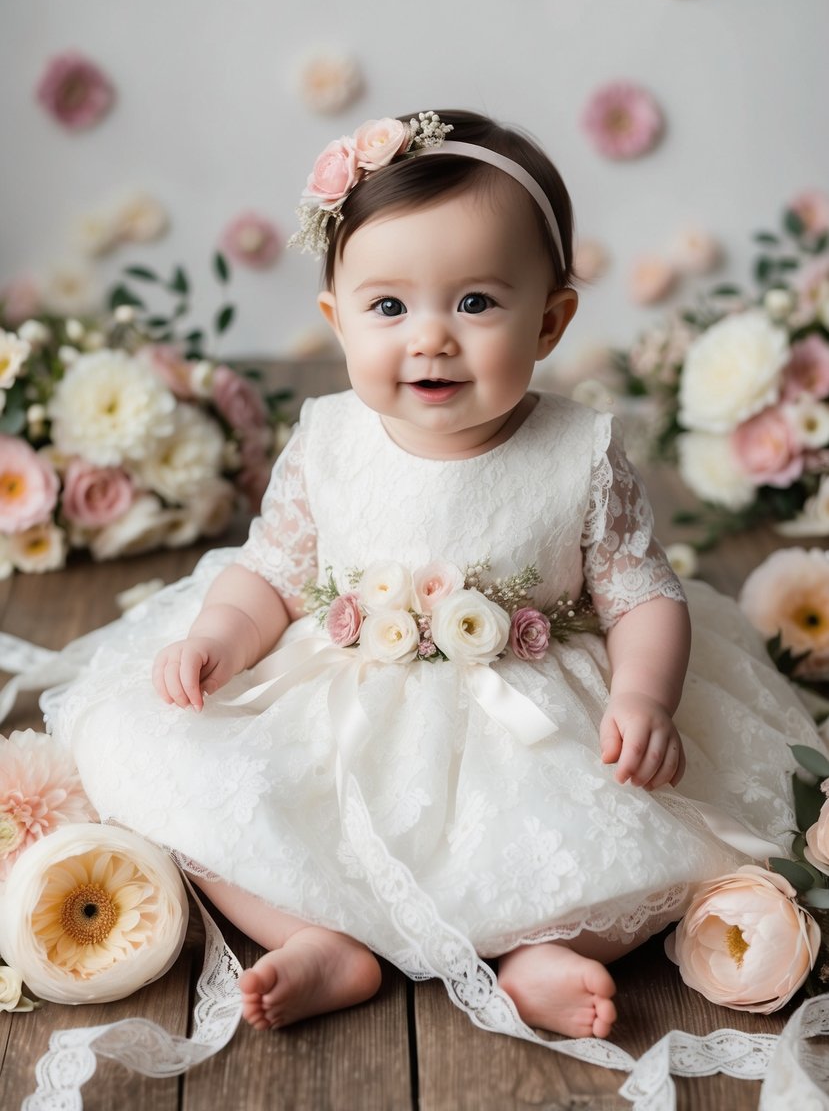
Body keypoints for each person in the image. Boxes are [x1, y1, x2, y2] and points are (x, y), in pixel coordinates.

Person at [47, 109, 823, 1047]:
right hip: (341, 707)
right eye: (388, 307)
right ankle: (317, 936)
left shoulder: (577, 450)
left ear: (550, 319)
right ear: (336, 318)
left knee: (613, 842)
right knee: (190, 789)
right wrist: (217, 640)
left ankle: (535, 952)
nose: (430, 339)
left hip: (529, 719)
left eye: (474, 303)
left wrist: (645, 697)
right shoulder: (327, 439)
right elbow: (273, 574)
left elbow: (639, 592)